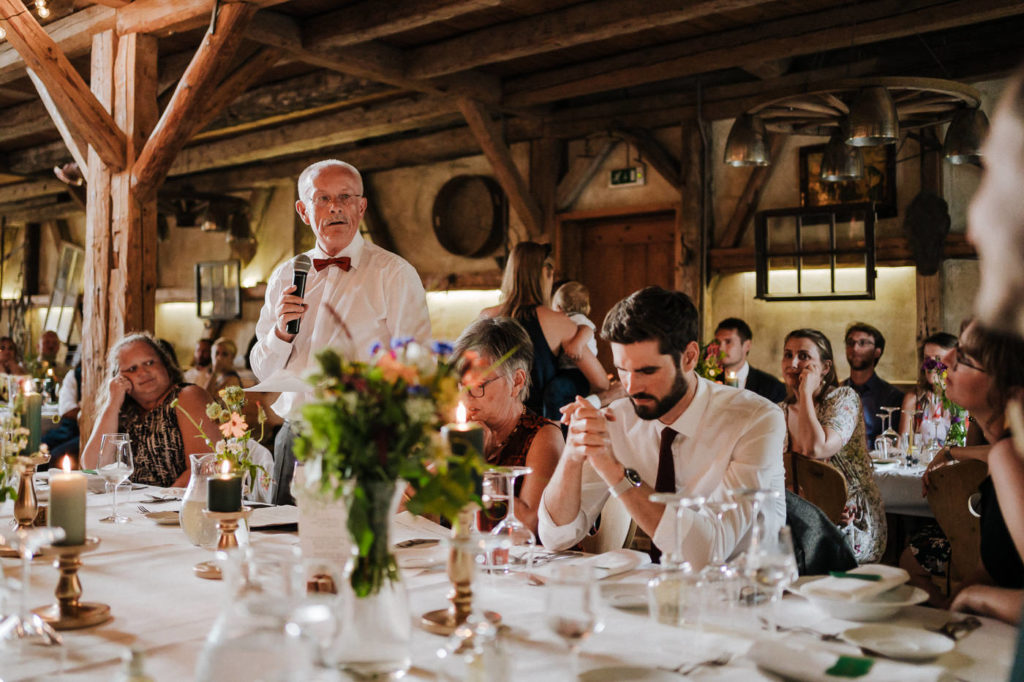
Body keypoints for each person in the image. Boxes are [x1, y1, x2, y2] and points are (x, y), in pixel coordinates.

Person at [538, 287, 786, 568]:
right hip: (663, 590)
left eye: (647, 371)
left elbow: (709, 551)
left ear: (690, 357)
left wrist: (615, 472)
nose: (630, 386)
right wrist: (573, 453)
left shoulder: (757, 419)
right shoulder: (618, 419)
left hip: (751, 594)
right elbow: (555, 537)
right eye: (622, 369)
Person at [250, 159, 431, 505]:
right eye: (322, 199)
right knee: (282, 549)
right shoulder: (286, 275)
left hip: (362, 439)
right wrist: (280, 334)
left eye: (345, 197)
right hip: (296, 436)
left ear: (361, 207)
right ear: (303, 211)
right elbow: (262, 370)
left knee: (355, 552)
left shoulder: (393, 274)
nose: (335, 207)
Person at [900, 321, 1024, 618]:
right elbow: (994, 567)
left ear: (1008, 390)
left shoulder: (1010, 458)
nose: (943, 361)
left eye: (964, 359)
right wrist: (958, 600)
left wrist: (978, 599)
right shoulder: (1001, 453)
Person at [781, 328, 885, 563]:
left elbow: (816, 449)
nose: (793, 363)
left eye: (804, 356)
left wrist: (805, 393)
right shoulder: (779, 411)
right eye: (787, 355)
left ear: (825, 368)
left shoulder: (843, 398)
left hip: (851, 517)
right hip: (801, 514)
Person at [452, 317, 564, 537]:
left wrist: (476, 469)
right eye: (461, 386)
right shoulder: (462, 432)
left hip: (532, 565)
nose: (466, 398)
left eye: (478, 386)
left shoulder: (543, 437)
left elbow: (530, 526)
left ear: (517, 381)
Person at [481, 242, 608, 420]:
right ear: (545, 273)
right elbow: (601, 382)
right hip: (541, 429)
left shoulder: (486, 317)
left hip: (495, 423)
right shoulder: (558, 321)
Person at [81, 332, 220, 488]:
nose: (143, 372)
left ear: (165, 364)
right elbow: (93, 466)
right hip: (135, 505)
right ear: (120, 378)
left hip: (176, 506)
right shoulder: (125, 411)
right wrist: (113, 402)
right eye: (132, 368)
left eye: (149, 363)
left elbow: (205, 467)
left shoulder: (187, 397)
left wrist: (164, 504)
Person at [842, 322, 904, 443]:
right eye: (850, 343)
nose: (855, 348)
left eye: (863, 343)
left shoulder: (893, 396)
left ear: (877, 352)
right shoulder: (837, 390)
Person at [897, 332, 960, 444]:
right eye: (927, 359)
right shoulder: (914, 398)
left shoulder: (967, 399)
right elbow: (903, 445)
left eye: (938, 359)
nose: (930, 365)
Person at [714, 317, 786, 403]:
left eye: (728, 342)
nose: (720, 348)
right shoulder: (710, 380)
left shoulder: (772, 387)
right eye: (717, 342)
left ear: (747, 345)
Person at [551, 280, 600, 403]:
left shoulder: (574, 318)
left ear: (558, 307)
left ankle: (554, 420)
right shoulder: (575, 318)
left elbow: (588, 329)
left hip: (578, 371)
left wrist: (577, 344)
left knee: (555, 391)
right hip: (573, 370)